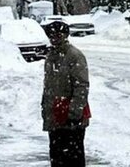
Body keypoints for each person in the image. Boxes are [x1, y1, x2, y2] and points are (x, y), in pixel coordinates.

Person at [41, 21, 90, 167]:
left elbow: (81, 85)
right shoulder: (51, 56)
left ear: (65, 35)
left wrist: (74, 112)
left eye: (58, 35)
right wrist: (46, 108)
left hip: (71, 118)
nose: (54, 38)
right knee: (56, 157)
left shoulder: (74, 56)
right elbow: (49, 85)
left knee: (73, 158)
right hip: (55, 116)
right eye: (51, 36)